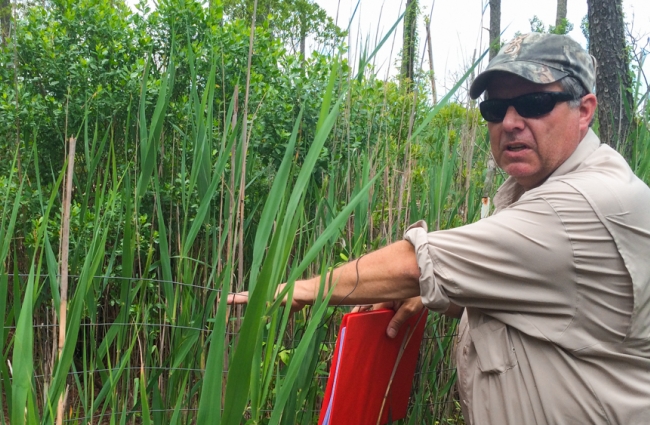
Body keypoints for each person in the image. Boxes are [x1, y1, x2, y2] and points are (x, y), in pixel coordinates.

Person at [229, 33, 650, 424]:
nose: (510, 121)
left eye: (535, 103)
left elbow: (415, 264)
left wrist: (306, 289)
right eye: (494, 108)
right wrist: (444, 298)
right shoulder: (558, 189)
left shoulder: (582, 204)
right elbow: (552, 297)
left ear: (585, 110)